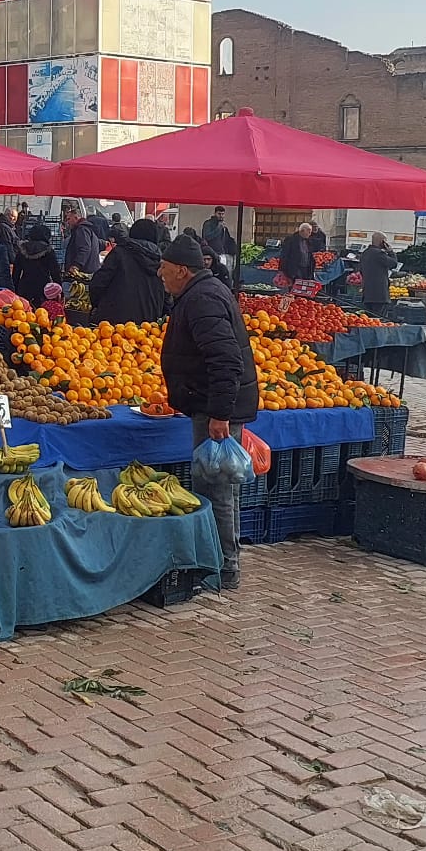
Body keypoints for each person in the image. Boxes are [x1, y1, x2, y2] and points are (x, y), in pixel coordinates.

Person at [159, 232, 258, 592]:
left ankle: (223, 567)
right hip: (209, 403)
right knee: (220, 485)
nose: (160, 273)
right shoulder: (200, 293)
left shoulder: (202, 299)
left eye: (165, 267)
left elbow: (226, 360)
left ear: (183, 271)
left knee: (215, 487)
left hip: (216, 408)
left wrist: (219, 414)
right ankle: (219, 561)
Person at [89, 217, 167, 325]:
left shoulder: (119, 253)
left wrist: (97, 305)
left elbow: (98, 283)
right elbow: (167, 297)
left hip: (111, 326)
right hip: (147, 329)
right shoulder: (161, 261)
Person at [11, 223, 60, 305]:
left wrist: (14, 289)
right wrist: (59, 290)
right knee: (41, 315)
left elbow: (16, 272)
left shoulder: (23, 250)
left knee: (23, 314)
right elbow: (55, 272)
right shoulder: (49, 251)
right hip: (43, 289)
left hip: (24, 287)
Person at [355, 233, 396, 316]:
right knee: (379, 320)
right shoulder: (379, 254)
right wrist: (391, 252)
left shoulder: (365, 253)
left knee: (369, 320)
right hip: (379, 296)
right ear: (382, 241)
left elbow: (361, 270)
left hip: (367, 294)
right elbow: (394, 264)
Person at [60, 201, 101, 278]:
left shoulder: (81, 229)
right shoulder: (86, 229)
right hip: (89, 269)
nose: (67, 222)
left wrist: (76, 265)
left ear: (76, 218)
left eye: (69, 219)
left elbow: (85, 248)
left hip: (84, 271)